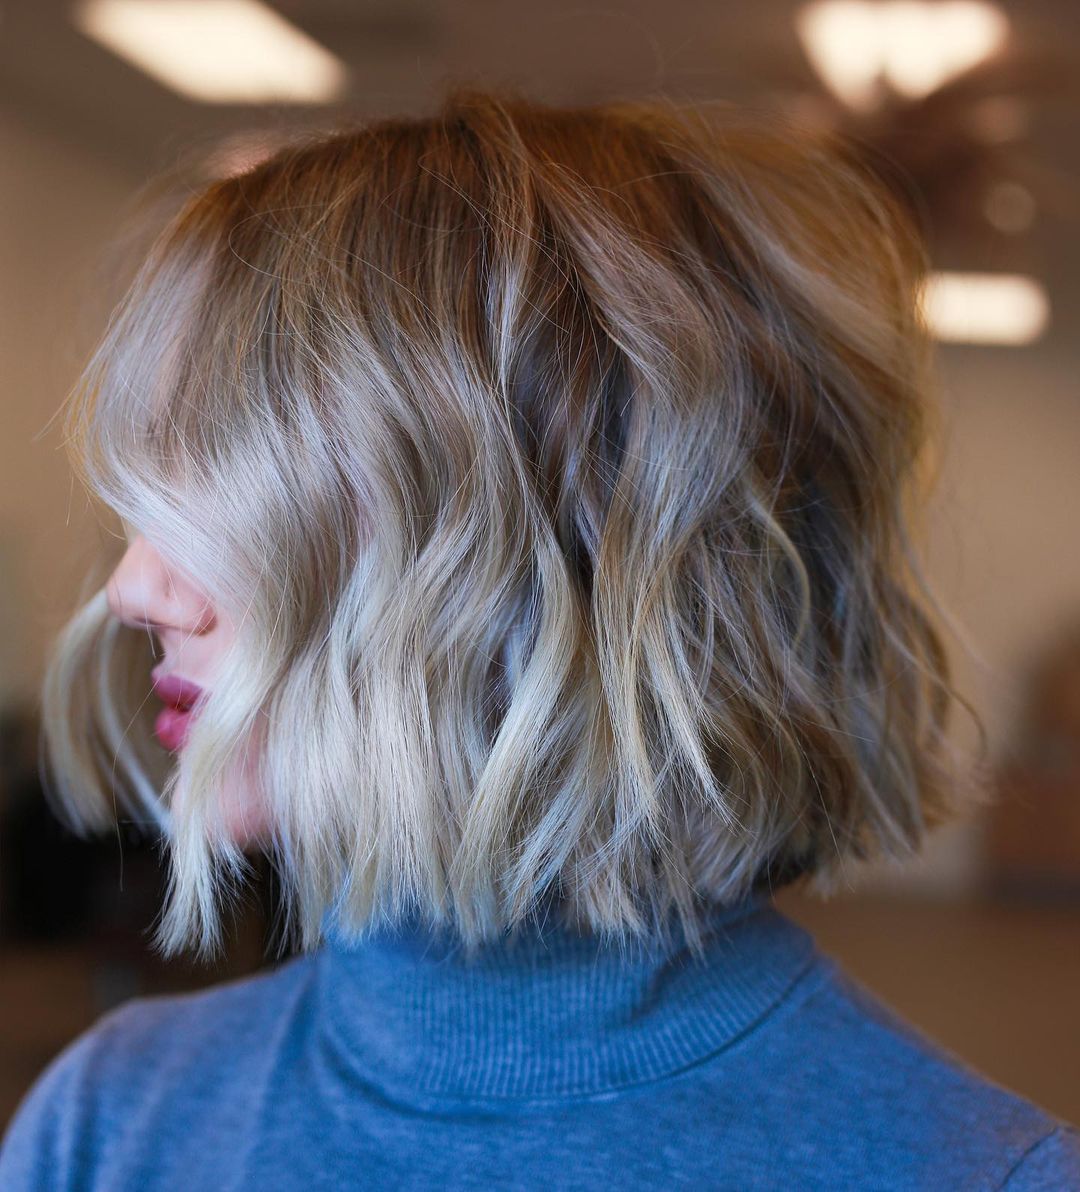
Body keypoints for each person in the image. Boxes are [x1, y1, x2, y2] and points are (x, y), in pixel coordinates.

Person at [1, 86, 1076, 1191]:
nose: (136, 588)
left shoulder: (985, 1174)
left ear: (553, 549)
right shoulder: (108, 1122)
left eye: (219, 496)